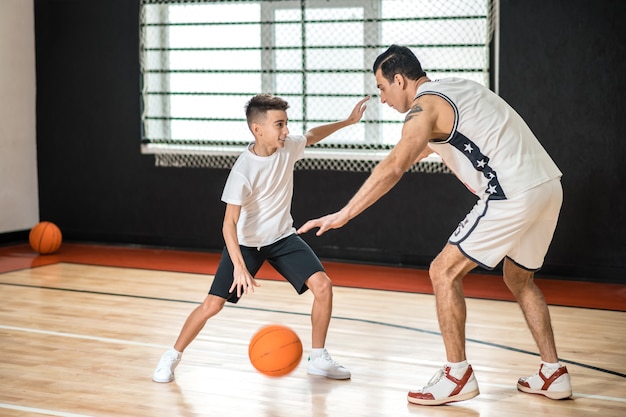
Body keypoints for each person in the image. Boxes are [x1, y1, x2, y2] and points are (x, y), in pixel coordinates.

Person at [297, 45, 572, 405]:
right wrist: (402, 154)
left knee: (443, 271)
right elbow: (426, 148)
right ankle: (552, 373)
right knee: (519, 278)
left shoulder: (423, 107)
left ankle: (457, 375)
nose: (381, 97)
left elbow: (396, 164)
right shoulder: (457, 87)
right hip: (548, 185)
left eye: (381, 87)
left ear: (399, 79)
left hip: (512, 191)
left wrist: (344, 213)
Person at [153, 93, 369, 383]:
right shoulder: (243, 171)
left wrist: (347, 121)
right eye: (279, 125)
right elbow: (228, 224)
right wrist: (240, 266)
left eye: (286, 123)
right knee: (212, 305)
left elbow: (311, 135)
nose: (286, 131)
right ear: (258, 129)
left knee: (323, 286)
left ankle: (318, 358)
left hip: (282, 238)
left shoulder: (288, 147)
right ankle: (172, 355)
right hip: (245, 244)